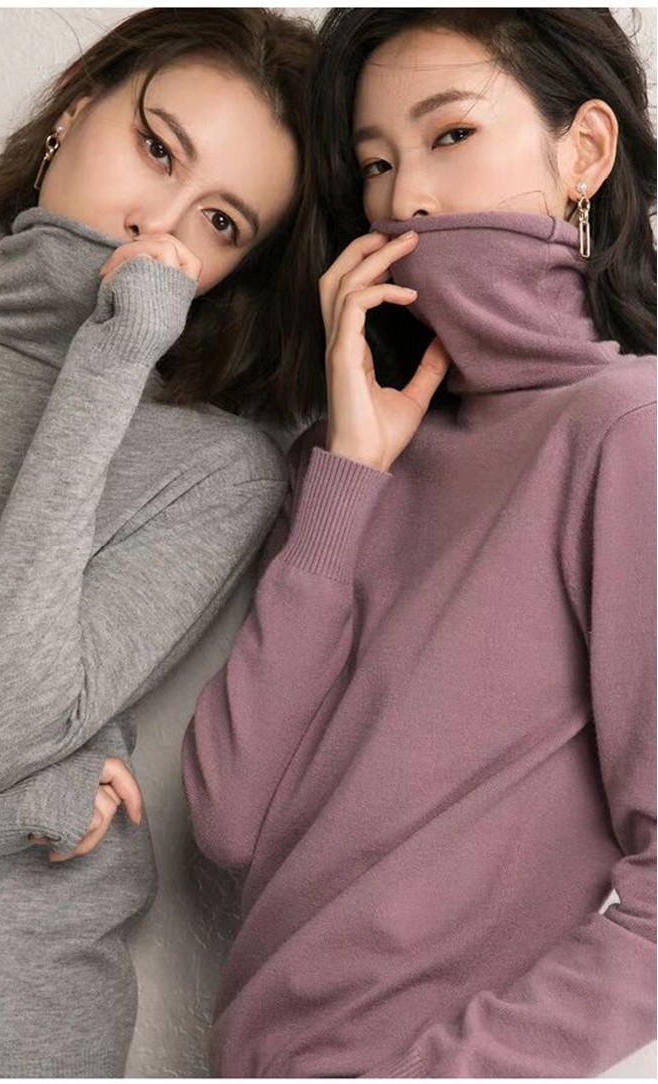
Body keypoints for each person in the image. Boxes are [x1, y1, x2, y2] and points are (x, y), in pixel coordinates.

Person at [182, 7, 657, 1077]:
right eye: (376, 164)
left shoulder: (626, 433)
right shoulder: (347, 463)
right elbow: (226, 817)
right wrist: (347, 474)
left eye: (450, 134)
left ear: (583, 152)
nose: (406, 201)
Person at [0, 7, 326, 1077]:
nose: (158, 225)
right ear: (75, 107)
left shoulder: (213, 468)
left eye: (220, 222)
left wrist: (112, 358)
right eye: (156, 148)